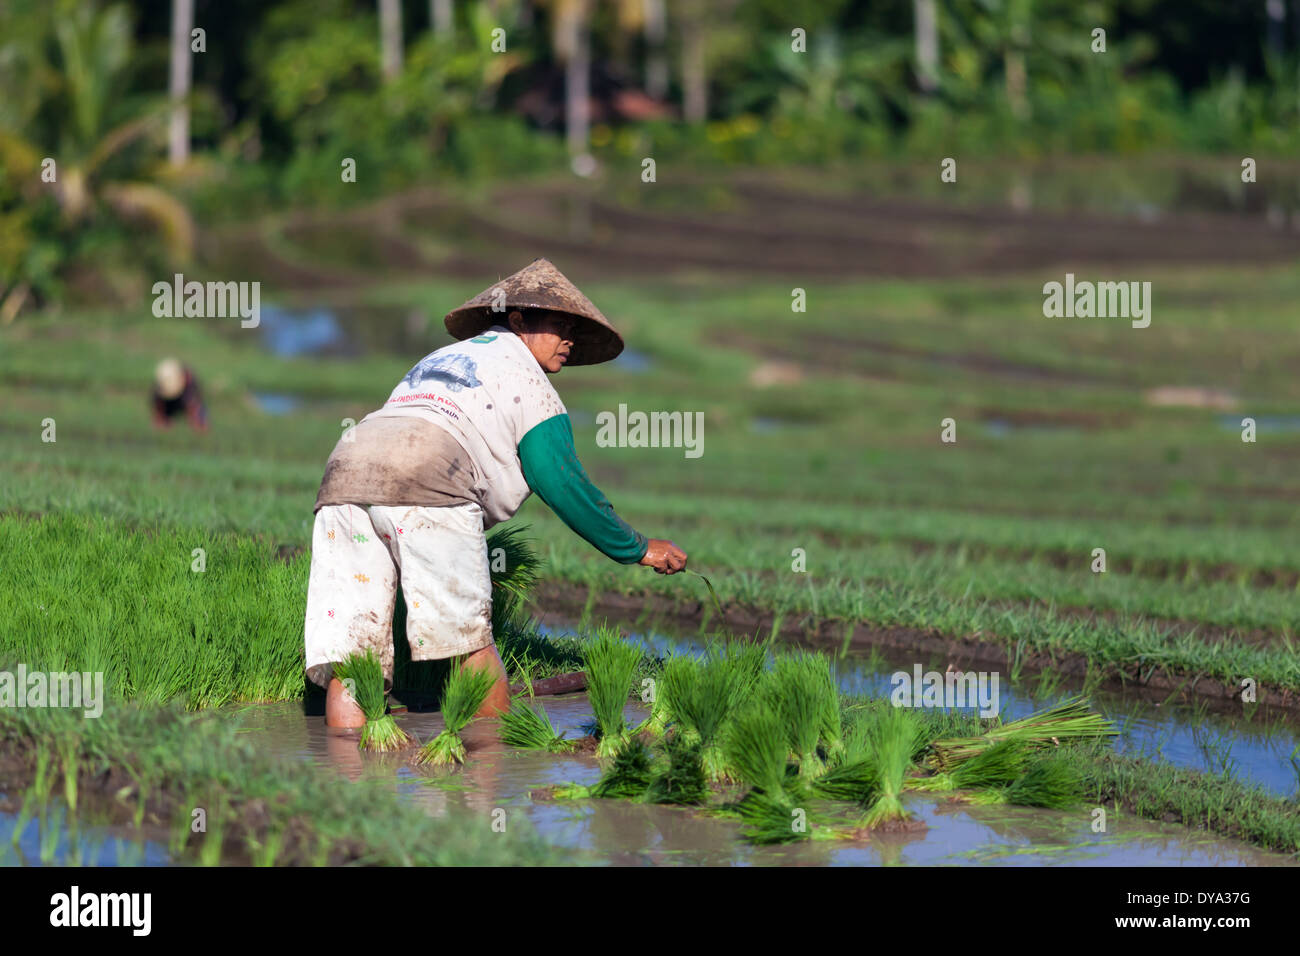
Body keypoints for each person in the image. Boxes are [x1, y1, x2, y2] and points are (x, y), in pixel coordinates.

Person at [304, 257, 688, 728]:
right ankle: (493, 777)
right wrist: (637, 548)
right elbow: (562, 484)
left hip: (345, 473)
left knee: (355, 659)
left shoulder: (442, 358)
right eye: (559, 326)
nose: (569, 339)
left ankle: (344, 780)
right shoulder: (529, 381)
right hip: (429, 478)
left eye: (573, 329)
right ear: (519, 320)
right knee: (472, 647)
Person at [150, 358, 208, 431]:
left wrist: (197, 422)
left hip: (187, 400)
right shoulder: (159, 389)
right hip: (169, 405)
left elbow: (195, 404)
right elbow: (157, 413)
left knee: (197, 414)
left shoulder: (190, 382)